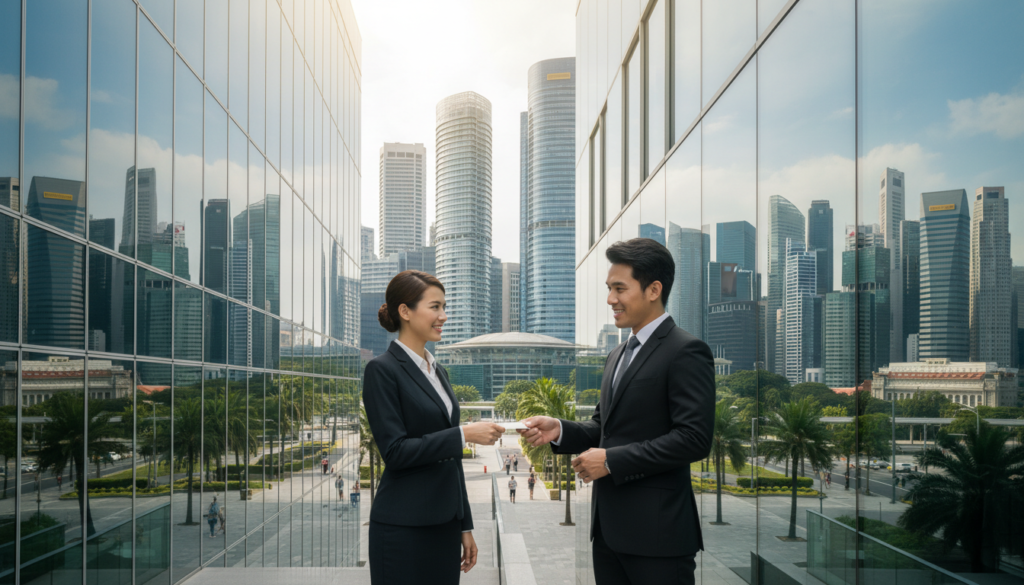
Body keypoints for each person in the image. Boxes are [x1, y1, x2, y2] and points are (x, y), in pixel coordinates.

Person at [519, 239, 715, 585]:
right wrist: (559, 430)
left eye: (619, 289)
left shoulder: (686, 351)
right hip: (608, 534)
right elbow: (603, 428)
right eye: (610, 289)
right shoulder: (617, 354)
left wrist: (611, 461)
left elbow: (694, 439)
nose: (611, 299)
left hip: (658, 538)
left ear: (654, 289)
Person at [363, 270, 505, 584]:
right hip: (403, 528)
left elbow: (451, 462)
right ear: (405, 312)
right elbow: (396, 452)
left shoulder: (438, 372)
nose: (444, 315)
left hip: (444, 526)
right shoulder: (382, 370)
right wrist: (464, 434)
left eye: (444, 307)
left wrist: (464, 525)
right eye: (435, 307)